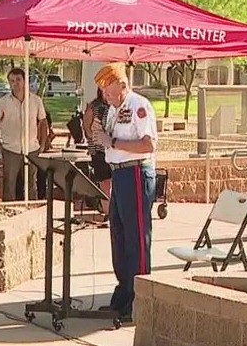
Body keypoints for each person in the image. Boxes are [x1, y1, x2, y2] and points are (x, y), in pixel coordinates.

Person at [89, 63, 156, 324]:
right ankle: (122, 295)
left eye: (108, 88)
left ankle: (138, 301)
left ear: (123, 85)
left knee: (136, 239)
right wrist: (99, 134)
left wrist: (113, 142)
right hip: (118, 173)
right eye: (102, 90)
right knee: (118, 235)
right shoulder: (113, 110)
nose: (104, 94)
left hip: (136, 173)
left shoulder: (138, 105)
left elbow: (147, 144)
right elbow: (108, 141)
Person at [0, 68, 49, 201]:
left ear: (24, 81)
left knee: (31, 184)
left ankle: (32, 211)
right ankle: (9, 212)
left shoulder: (36, 100)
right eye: (12, 81)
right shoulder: (3, 102)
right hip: (10, 148)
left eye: (18, 80)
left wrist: (43, 143)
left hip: (31, 148)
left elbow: (43, 122)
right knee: (9, 183)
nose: (15, 84)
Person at [81, 88, 113, 209]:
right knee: (104, 182)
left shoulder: (114, 106)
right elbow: (86, 128)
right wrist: (96, 136)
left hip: (113, 150)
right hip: (99, 151)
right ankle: (106, 211)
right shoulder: (94, 106)